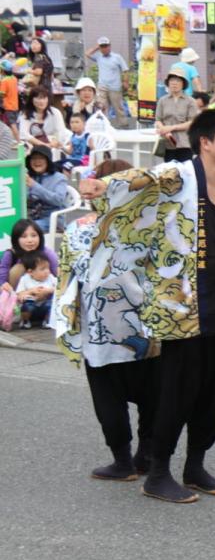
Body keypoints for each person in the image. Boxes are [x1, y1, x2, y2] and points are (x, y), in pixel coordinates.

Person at [77, 109, 215, 504]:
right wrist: (102, 185)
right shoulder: (176, 177)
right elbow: (138, 180)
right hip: (179, 310)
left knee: (212, 394)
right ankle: (158, 472)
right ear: (205, 142)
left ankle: (195, 466)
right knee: (177, 393)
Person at [52, 158, 159, 481]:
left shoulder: (78, 228)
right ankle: (147, 455)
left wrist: (66, 321)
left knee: (107, 397)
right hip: (145, 325)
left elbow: (68, 279)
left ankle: (122, 461)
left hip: (98, 330)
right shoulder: (149, 224)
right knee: (153, 396)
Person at [155, 65, 200, 162]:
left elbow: (192, 123)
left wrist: (171, 128)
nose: (174, 83)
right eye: (172, 80)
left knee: (184, 170)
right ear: (168, 83)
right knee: (169, 170)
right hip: (168, 143)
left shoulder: (190, 101)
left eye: (178, 80)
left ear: (183, 84)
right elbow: (158, 119)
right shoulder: (162, 100)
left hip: (185, 143)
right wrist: (163, 129)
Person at [1, 219, 58, 293]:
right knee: (18, 269)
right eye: (24, 236)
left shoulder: (47, 252)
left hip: (46, 290)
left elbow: (59, 275)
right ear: (16, 239)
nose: (30, 240)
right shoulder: (11, 254)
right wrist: (4, 286)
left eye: (34, 235)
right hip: (19, 293)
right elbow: (2, 278)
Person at [85, 37, 131, 124]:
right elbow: (87, 53)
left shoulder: (117, 57)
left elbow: (125, 70)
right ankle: (103, 124)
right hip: (102, 86)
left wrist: (125, 82)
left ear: (110, 46)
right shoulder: (98, 57)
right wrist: (96, 47)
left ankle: (123, 124)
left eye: (106, 46)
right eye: (102, 46)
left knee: (118, 107)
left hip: (115, 87)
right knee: (101, 106)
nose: (104, 48)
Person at [24, 145, 68, 234]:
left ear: (48, 160)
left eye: (41, 158)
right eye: (34, 158)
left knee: (25, 228)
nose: (37, 161)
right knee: (10, 222)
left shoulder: (59, 178)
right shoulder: (29, 176)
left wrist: (34, 186)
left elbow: (58, 200)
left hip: (52, 219)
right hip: (31, 216)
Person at [18, 86, 67, 161]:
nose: (41, 101)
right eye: (38, 98)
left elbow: (61, 131)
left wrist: (54, 142)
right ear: (32, 99)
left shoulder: (55, 112)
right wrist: (44, 145)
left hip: (53, 145)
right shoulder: (25, 114)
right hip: (33, 146)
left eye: (44, 98)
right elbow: (24, 134)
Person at [14, 252, 54, 328]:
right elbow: (19, 295)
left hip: (44, 308)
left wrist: (48, 290)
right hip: (31, 309)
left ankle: (47, 321)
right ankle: (25, 321)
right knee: (27, 305)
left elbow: (59, 289)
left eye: (48, 268)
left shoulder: (50, 278)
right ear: (30, 272)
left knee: (52, 304)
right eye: (42, 269)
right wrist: (30, 291)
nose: (47, 271)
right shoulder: (25, 279)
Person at [1, 59, 21, 129]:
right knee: (15, 122)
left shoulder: (4, 81)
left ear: (3, 71)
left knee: (12, 123)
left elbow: (2, 94)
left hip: (8, 106)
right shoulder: (14, 78)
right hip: (15, 105)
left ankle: (17, 136)